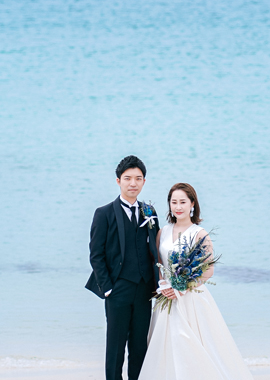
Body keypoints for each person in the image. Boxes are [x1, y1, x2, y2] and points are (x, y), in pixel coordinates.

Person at [138, 183, 254, 380]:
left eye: (183, 202)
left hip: (190, 300)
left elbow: (208, 270)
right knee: (164, 347)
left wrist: (182, 288)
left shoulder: (200, 234)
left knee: (191, 345)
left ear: (192, 204)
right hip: (166, 299)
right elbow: (158, 262)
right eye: (174, 202)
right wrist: (164, 285)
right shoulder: (162, 232)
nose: (178, 207)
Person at [86, 156, 161, 380]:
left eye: (138, 178)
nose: (133, 183)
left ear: (144, 182)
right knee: (116, 347)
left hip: (144, 288)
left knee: (139, 347)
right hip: (117, 289)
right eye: (128, 178)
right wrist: (108, 288)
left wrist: (158, 283)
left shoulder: (150, 212)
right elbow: (96, 254)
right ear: (118, 181)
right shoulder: (104, 213)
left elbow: (155, 250)